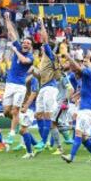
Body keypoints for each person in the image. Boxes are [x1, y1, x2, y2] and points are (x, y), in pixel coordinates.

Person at [61, 53, 91, 163]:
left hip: (87, 110)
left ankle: (71, 157)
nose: (75, 73)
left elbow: (77, 67)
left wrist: (69, 58)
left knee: (78, 133)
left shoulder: (88, 73)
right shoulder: (86, 80)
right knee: (83, 138)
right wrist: (76, 95)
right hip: (87, 110)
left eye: (76, 72)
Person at [3, 12, 34, 145]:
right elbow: (11, 32)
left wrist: (15, 50)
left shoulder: (31, 57)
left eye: (28, 43)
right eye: (24, 42)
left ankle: (11, 133)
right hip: (10, 84)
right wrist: (7, 19)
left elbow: (22, 60)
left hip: (20, 86)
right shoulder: (17, 44)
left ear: (30, 46)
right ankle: (22, 120)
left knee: (15, 110)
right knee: (6, 112)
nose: (25, 44)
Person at [32, 18, 59, 151]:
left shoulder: (49, 55)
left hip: (50, 88)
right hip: (43, 87)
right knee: (38, 115)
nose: (41, 46)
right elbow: (40, 76)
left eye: (43, 45)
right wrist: (33, 72)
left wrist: (42, 24)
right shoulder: (43, 60)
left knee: (48, 115)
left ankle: (43, 141)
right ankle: (45, 140)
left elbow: (45, 39)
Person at [18, 74, 39, 159]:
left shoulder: (34, 79)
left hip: (30, 108)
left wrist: (26, 106)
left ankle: (29, 152)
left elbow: (34, 93)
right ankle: (37, 146)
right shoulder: (23, 77)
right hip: (24, 107)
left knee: (23, 130)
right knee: (22, 130)